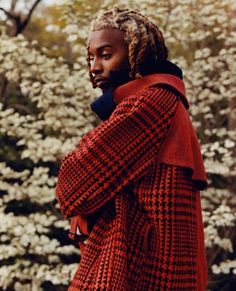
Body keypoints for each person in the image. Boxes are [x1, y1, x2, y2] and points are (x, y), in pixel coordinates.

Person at [56, 7, 208, 291]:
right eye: (91, 56)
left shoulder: (150, 102)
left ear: (137, 54)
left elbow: (72, 182)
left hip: (136, 264)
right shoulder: (158, 99)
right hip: (143, 261)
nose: (93, 66)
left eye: (105, 54)